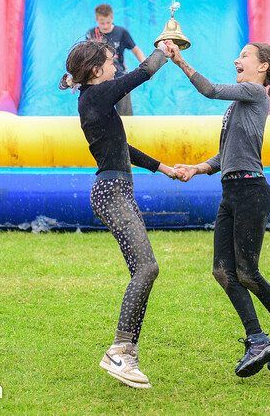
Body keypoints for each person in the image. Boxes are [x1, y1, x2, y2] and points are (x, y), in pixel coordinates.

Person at [167, 41, 270, 378]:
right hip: (232, 191)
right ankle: (261, 338)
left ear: (263, 67)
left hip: (251, 190)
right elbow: (225, 155)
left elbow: (209, 89)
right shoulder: (239, 104)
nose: (237, 59)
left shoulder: (253, 91)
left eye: (245, 55)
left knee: (247, 272)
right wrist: (196, 168)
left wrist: (181, 62)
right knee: (223, 271)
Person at [61, 38, 175, 389]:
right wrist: (165, 49)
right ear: (96, 71)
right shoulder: (96, 95)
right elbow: (142, 73)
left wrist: (163, 168)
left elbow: (120, 147)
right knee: (147, 268)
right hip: (111, 192)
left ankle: (124, 350)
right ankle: (120, 351)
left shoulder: (94, 99)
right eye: (111, 61)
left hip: (117, 190)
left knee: (145, 269)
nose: (115, 66)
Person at [85, 4, 146, 115]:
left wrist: (145, 64)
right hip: (99, 80)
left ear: (112, 18)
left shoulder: (121, 32)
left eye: (108, 22)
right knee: (99, 114)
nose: (105, 26)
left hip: (120, 77)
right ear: (96, 20)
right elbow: (87, 58)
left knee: (125, 113)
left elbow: (136, 50)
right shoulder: (91, 34)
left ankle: (127, 131)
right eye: (102, 23)